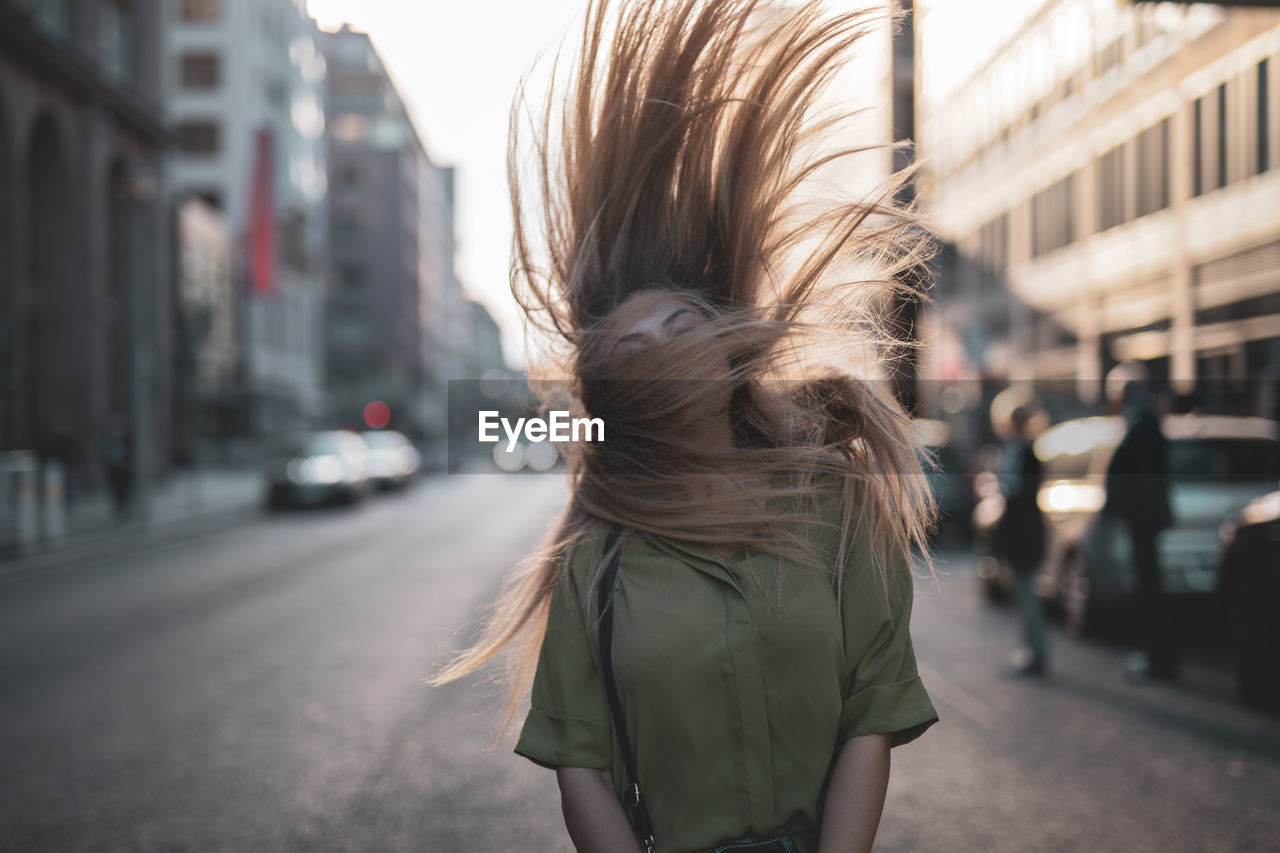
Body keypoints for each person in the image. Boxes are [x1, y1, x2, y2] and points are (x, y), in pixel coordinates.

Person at [430, 2, 939, 851]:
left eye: (680, 327)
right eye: (632, 348)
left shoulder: (836, 502)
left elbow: (870, 712)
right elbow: (581, 766)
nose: (663, 354)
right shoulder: (597, 559)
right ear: (615, 394)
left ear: (726, 340)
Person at [1102, 372, 1176, 683]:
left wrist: (1125, 504)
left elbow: (1140, 474)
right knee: (1149, 586)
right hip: (1144, 517)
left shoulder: (1143, 426)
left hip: (1143, 518)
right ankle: (1155, 656)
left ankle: (1158, 660)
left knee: (1150, 588)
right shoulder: (1148, 423)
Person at [993, 404, 1049, 676]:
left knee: (1027, 594)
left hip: (1024, 533)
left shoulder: (1024, 454)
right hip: (1023, 532)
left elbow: (1017, 497)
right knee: (1024, 593)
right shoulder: (1020, 452)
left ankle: (1035, 652)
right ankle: (1032, 649)